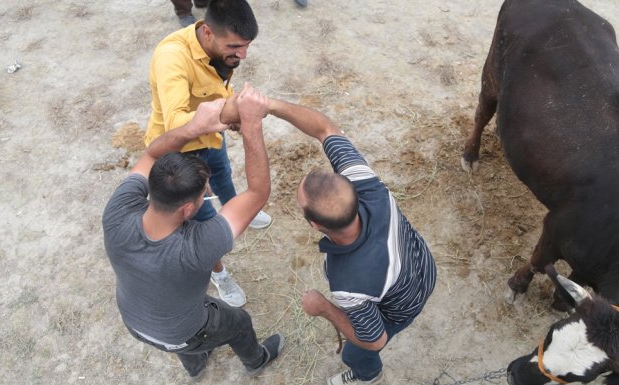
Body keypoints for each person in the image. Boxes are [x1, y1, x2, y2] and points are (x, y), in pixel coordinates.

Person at [102, 84, 284, 379]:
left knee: (180, 341)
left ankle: (196, 366)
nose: (207, 195)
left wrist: (193, 128)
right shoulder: (196, 248)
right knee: (238, 321)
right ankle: (256, 360)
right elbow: (258, 192)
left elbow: (150, 154)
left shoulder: (117, 211)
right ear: (187, 209)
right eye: (204, 194)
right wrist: (251, 123)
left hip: (135, 324)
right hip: (184, 331)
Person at [262, 98, 437, 385]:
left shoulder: (348, 281)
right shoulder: (371, 187)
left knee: (355, 354)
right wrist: (268, 105)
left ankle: (368, 376)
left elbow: (376, 340)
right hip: (425, 269)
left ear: (315, 225)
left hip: (400, 308)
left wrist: (324, 308)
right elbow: (325, 128)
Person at [146, 0, 272, 307]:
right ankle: (220, 275)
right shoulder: (171, 58)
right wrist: (228, 114)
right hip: (178, 154)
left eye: (246, 46)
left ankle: (238, 208)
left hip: (210, 136)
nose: (242, 55)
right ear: (206, 32)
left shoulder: (218, 51)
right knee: (201, 221)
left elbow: (217, 90)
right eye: (234, 47)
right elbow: (176, 122)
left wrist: (234, 112)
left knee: (224, 176)